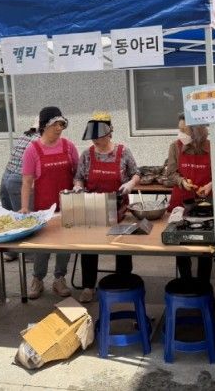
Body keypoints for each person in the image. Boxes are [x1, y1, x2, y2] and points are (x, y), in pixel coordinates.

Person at [73, 112, 140, 303]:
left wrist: (131, 184)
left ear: (109, 133)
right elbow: (79, 177)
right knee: (89, 248)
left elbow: (136, 173)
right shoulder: (87, 154)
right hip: (93, 208)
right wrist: (78, 187)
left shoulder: (123, 152)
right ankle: (88, 286)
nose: (95, 141)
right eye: (93, 137)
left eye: (99, 137)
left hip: (119, 210)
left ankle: (123, 283)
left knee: (122, 248)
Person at [20, 107, 78, 299]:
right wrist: (25, 207)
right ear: (44, 126)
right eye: (55, 124)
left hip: (67, 206)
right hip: (43, 208)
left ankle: (59, 279)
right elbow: (27, 181)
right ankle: (37, 279)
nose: (59, 128)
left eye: (62, 124)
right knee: (42, 247)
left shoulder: (68, 146)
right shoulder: (32, 150)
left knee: (65, 246)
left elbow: (78, 174)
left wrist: (78, 189)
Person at [167, 113, 215, 284]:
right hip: (181, 202)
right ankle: (185, 282)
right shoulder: (175, 147)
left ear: (197, 131)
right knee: (181, 245)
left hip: (204, 204)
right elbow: (171, 174)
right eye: (179, 129)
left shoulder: (213, 148)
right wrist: (182, 182)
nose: (180, 134)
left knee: (205, 245)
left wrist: (210, 185)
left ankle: (203, 284)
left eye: (184, 130)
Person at [0, 122, 39, 261]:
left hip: (6, 177)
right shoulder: (39, 140)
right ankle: (30, 254)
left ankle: (11, 252)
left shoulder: (24, 136)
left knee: (11, 218)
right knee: (24, 218)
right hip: (19, 180)